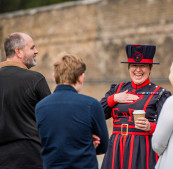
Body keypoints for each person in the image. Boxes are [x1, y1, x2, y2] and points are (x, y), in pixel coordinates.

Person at [100, 44, 171, 169]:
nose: (138, 70)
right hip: (116, 147)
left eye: (142, 66)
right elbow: (99, 114)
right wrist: (113, 98)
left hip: (142, 149)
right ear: (129, 68)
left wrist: (150, 127)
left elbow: (168, 127)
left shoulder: (160, 93)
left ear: (150, 68)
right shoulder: (117, 89)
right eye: (134, 65)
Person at [35, 54, 109, 169]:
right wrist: (87, 142)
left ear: (54, 77)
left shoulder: (40, 107)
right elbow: (104, 146)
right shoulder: (91, 105)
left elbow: (45, 141)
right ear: (81, 77)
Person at [0, 32, 51, 169]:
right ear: (18, 52)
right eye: (32, 48)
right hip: (31, 157)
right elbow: (52, 119)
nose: (36, 51)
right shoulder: (35, 79)